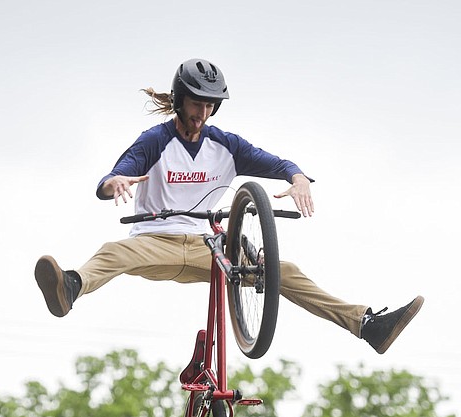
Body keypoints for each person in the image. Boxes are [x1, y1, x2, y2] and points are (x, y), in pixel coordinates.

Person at [35, 58, 423, 354]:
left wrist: (298, 177)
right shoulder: (155, 141)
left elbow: (278, 164)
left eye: (209, 107)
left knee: (283, 270)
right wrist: (113, 183)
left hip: (210, 249)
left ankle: (366, 325)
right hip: (157, 240)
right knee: (112, 252)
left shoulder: (227, 146)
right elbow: (114, 177)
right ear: (180, 99)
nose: (201, 114)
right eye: (195, 105)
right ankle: (71, 286)